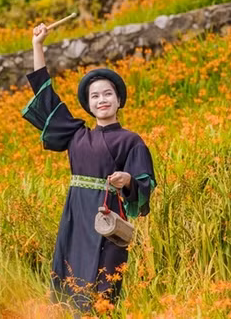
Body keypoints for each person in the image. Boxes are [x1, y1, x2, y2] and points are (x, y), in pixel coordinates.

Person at [21, 23, 157, 310]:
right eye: (94, 96)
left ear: (119, 100)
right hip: (74, 217)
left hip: (106, 219)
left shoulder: (131, 140)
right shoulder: (76, 133)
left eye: (107, 94)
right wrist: (37, 46)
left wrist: (127, 180)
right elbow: (45, 95)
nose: (101, 100)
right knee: (68, 285)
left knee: (103, 288)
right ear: (88, 105)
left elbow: (145, 184)